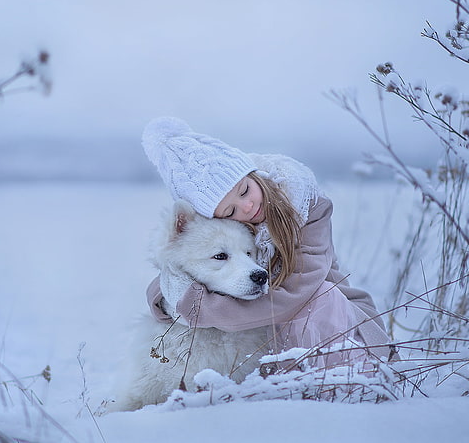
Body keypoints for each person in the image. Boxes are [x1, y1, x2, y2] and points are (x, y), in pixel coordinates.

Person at [141, 117, 396, 368]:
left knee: (319, 298)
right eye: (230, 212)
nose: (248, 206)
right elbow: (178, 268)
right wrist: (165, 299)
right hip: (276, 337)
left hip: (338, 325)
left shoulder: (307, 208)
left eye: (244, 190)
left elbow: (298, 293)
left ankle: (348, 384)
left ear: (252, 174)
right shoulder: (235, 231)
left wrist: (196, 309)